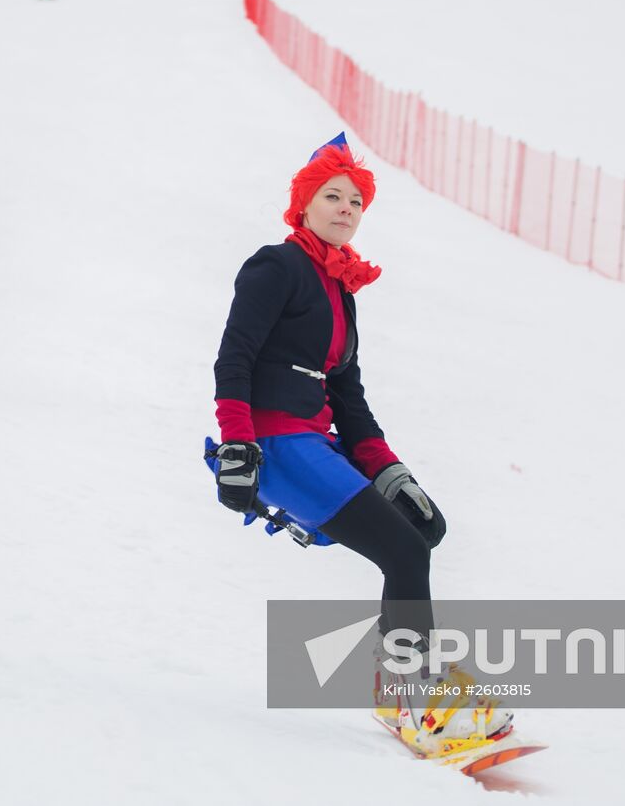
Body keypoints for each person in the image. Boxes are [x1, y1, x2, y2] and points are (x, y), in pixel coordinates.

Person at [205, 133, 512, 756]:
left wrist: (394, 475)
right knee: (404, 553)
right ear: (305, 205)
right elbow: (233, 360)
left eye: (356, 202)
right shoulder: (277, 266)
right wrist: (239, 449)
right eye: (333, 196)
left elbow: (350, 401)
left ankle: (400, 676)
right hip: (278, 441)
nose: (346, 208)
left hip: (317, 440)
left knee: (419, 534)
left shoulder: (340, 290)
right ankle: (415, 698)